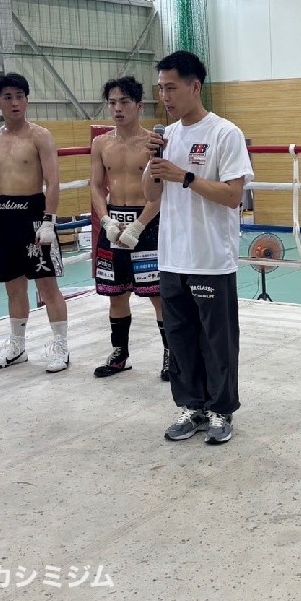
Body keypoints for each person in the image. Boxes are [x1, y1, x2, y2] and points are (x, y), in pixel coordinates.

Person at [145, 51, 253, 445]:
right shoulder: (166, 137)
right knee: (180, 338)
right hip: (172, 257)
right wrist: (153, 163)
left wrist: (186, 177)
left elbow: (234, 195)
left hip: (210, 258)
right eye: (161, 89)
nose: (165, 97)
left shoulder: (225, 133)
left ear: (195, 87)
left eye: (171, 88)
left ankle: (221, 410)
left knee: (217, 341)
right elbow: (150, 194)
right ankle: (192, 407)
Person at [0, 73, 69, 373]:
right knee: (13, 287)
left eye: (20, 96)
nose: (15, 103)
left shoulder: (40, 136)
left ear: (27, 100)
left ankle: (61, 347)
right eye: (8, 97)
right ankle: (17, 346)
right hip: (5, 214)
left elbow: (53, 182)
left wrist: (49, 221)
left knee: (47, 285)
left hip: (35, 214)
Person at [91, 76, 168, 380]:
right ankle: (119, 354)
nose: (117, 108)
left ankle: (171, 355)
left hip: (146, 221)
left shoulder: (152, 143)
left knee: (158, 294)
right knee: (116, 293)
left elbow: (161, 190)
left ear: (139, 105)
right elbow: (96, 186)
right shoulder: (101, 143)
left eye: (124, 102)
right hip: (114, 222)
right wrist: (105, 219)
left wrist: (139, 225)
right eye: (112, 103)